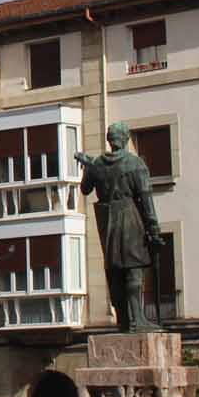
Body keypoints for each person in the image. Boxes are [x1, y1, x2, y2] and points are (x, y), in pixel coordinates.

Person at [74, 122, 165, 333]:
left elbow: (85, 189)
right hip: (130, 217)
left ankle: (124, 320)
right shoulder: (135, 164)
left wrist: (89, 166)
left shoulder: (98, 164)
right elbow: (145, 197)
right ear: (124, 139)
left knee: (115, 271)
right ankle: (138, 319)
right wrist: (153, 227)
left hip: (108, 221)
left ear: (109, 140)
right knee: (133, 269)